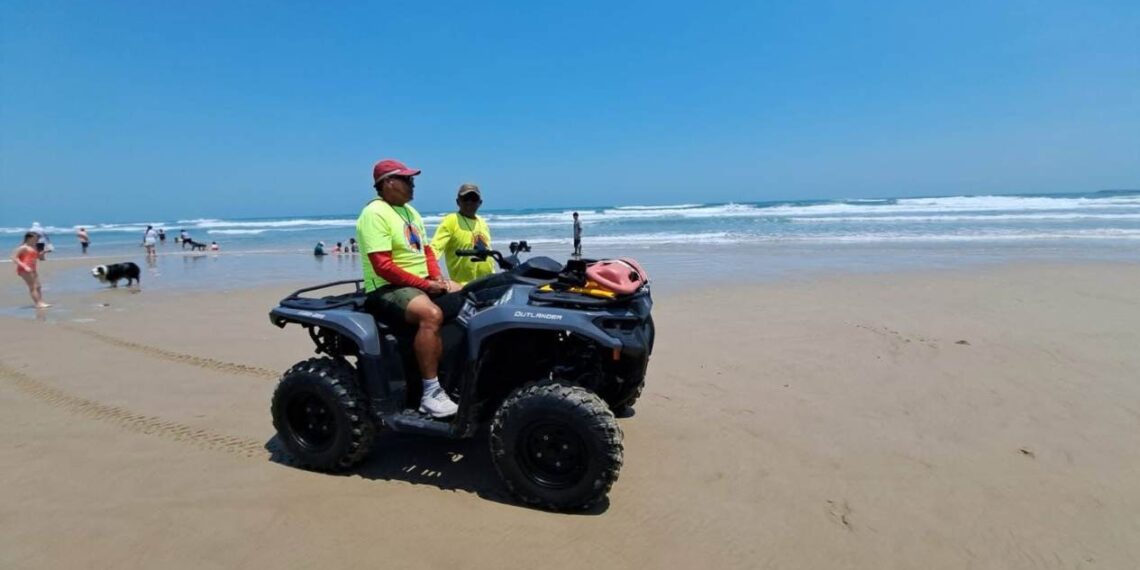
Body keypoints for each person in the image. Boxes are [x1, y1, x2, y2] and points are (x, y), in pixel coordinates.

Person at [357, 158, 462, 418]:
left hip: (417, 283)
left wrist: (439, 279)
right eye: (407, 179)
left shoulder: (410, 213)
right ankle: (430, 393)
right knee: (431, 315)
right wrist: (426, 285)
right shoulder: (374, 213)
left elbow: (426, 251)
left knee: (470, 294)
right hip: (387, 288)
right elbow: (383, 266)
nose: (412, 184)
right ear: (388, 183)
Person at [430, 182, 495, 286]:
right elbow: (435, 248)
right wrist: (430, 273)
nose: (469, 202)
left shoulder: (482, 222)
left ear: (480, 202)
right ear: (458, 202)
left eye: (473, 198)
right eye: (465, 198)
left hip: (488, 282)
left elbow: (488, 249)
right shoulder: (451, 220)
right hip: (463, 285)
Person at [11, 233, 50, 308]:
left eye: (38, 238)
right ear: (29, 238)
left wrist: (44, 252)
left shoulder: (34, 247)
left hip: (33, 269)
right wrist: (24, 266)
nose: (38, 240)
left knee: (38, 286)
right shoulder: (23, 247)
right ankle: (38, 303)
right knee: (33, 286)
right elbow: (14, 257)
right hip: (24, 269)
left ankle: (41, 302)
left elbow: (39, 258)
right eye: (36, 238)